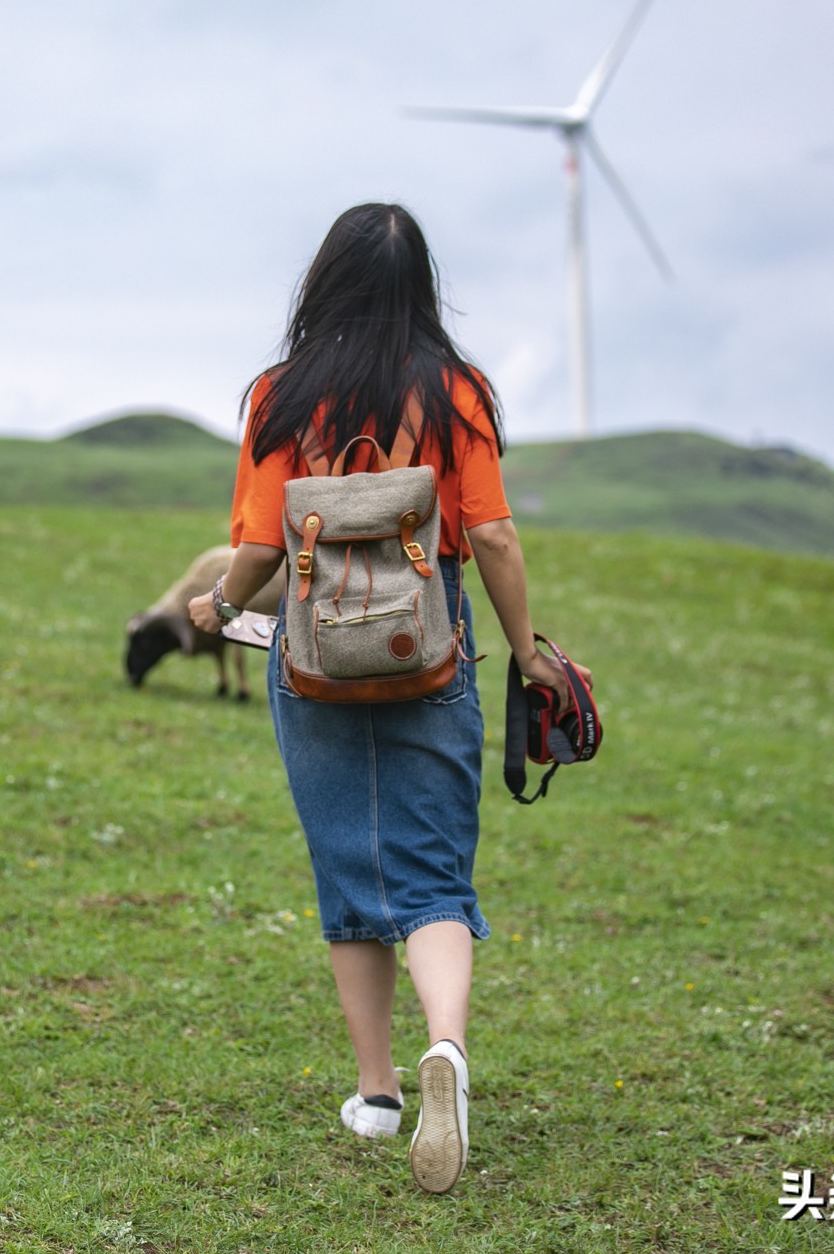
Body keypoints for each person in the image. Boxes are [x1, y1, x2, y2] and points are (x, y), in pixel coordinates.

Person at [188, 202, 589, 1195]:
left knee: (346, 868)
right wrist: (526, 651)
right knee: (433, 877)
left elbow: (255, 547)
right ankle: (442, 1048)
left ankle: (374, 1094)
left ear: (321, 283)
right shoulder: (458, 392)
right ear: (420, 287)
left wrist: (215, 604)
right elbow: (492, 535)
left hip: (314, 654)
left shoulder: (279, 397)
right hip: (429, 638)